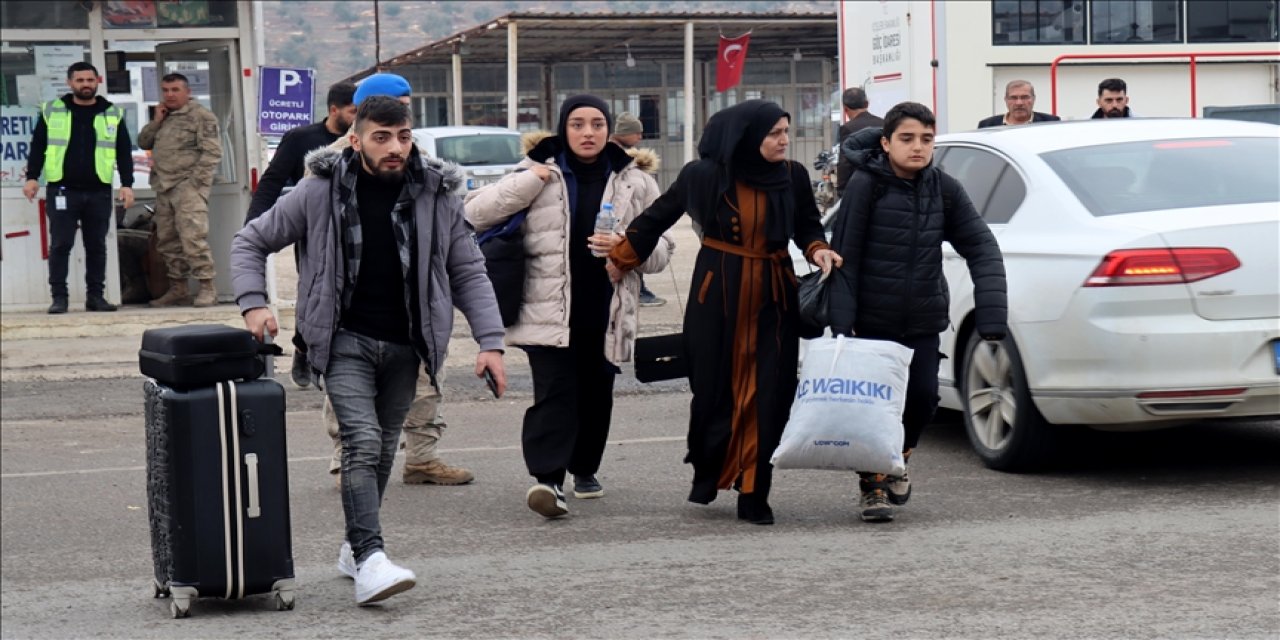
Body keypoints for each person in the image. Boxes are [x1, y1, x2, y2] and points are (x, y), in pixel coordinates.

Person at [232, 96, 508, 605]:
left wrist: (491, 343)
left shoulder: (435, 192)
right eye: (382, 137)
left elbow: (467, 269)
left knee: (382, 449)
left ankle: (352, 550)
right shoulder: (318, 191)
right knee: (361, 442)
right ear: (355, 139)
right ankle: (370, 558)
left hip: (408, 343)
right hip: (343, 340)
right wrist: (253, 304)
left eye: (403, 136)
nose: (395, 147)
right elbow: (250, 242)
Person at [607, 100, 842, 525]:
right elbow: (656, 218)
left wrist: (819, 250)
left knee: (771, 394)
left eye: (786, 132)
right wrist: (619, 258)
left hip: (776, 297)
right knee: (715, 391)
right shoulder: (704, 175)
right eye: (775, 133)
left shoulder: (793, 175)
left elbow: (809, 225)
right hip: (715, 297)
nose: (784, 141)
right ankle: (713, 470)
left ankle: (755, 489)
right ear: (747, 136)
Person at [464, 95, 674, 519]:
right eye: (577, 124)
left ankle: (584, 468)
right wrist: (529, 181)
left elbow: (664, 249)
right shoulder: (536, 170)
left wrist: (626, 250)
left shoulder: (634, 180)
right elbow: (473, 213)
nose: (588, 133)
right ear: (563, 128)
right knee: (555, 391)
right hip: (547, 307)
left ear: (608, 129)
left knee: (597, 393)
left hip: (606, 306)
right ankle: (547, 480)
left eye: (597, 124)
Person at [827, 102, 1007, 523]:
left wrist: (993, 315)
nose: (918, 147)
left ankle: (896, 459)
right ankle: (873, 487)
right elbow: (845, 258)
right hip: (871, 320)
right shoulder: (866, 186)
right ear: (887, 142)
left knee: (923, 398)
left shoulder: (944, 189)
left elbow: (981, 247)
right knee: (874, 409)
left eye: (926, 139)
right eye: (907, 139)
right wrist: (841, 324)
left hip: (923, 318)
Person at [312, 73, 476, 489]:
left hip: (410, 308)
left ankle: (421, 458)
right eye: (394, 101)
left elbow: (462, 258)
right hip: (347, 310)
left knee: (423, 380)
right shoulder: (329, 169)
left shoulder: (419, 164)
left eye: (408, 101)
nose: (405, 111)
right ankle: (344, 460)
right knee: (347, 390)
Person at [245, 80, 357, 389]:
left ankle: (341, 358)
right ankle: (304, 346)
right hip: (313, 231)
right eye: (353, 111)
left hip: (357, 233)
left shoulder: (365, 139)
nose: (358, 117)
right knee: (314, 292)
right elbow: (272, 181)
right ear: (333, 110)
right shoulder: (301, 139)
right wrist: (255, 223)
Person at [22, 61, 134, 314]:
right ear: (70, 83)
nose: (85, 85)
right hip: (63, 189)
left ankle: (95, 297)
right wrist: (32, 177)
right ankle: (59, 297)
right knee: (61, 245)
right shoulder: (53, 111)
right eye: (80, 80)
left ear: (98, 81)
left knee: (96, 245)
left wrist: (127, 184)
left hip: (99, 191)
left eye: (90, 80)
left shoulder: (111, 113)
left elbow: (123, 151)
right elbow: (38, 146)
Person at [138, 72, 223, 308]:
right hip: (163, 186)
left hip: (187, 187)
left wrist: (196, 184)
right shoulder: (164, 117)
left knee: (193, 238)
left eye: (175, 90)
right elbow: (143, 142)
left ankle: (207, 287)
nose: (170, 95)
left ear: (187, 92)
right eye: (165, 90)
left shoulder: (201, 116)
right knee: (167, 241)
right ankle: (178, 288)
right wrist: (156, 121)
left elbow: (212, 152)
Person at [610, 112, 666, 307]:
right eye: (636, 133)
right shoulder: (621, 161)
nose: (640, 137)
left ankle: (640, 286)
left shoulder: (631, 161)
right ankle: (640, 289)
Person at [835, 87, 884, 193]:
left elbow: (845, 162)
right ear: (867, 104)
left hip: (859, 187)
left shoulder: (847, 128)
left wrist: (842, 189)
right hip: (884, 184)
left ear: (845, 109)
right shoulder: (883, 123)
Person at [977, 80, 1061, 128]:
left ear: (1033, 99)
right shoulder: (987, 126)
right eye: (1013, 98)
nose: (1019, 103)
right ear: (1006, 100)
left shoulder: (1051, 123)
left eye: (1024, 97)